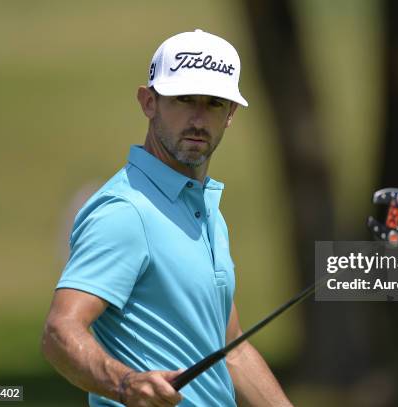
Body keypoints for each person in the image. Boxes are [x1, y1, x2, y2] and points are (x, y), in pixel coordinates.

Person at [41, 29, 292, 407]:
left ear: (231, 115)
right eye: (183, 100)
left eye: (214, 104)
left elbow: (231, 349)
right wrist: (124, 384)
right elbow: (60, 331)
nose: (197, 118)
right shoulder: (126, 211)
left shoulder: (203, 209)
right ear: (149, 102)